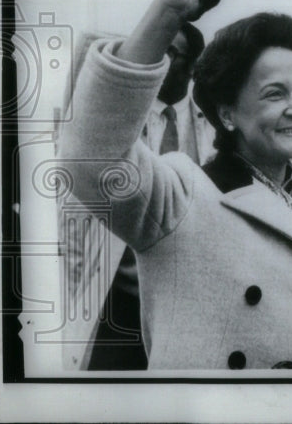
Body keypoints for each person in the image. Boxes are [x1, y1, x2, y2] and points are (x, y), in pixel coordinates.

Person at [57, 0, 292, 370]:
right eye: (275, 94)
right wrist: (168, 10)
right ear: (228, 113)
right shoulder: (182, 195)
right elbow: (92, 161)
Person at [79, 23, 213, 370]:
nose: (157, 57)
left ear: (194, 66)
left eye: (170, 52)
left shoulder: (213, 127)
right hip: (117, 300)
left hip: (185, 303)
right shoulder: (121, 123)